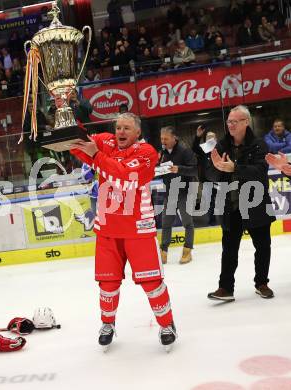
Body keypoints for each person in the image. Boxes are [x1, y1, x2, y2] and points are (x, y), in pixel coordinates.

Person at [68, 113, 177, 350]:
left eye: (127, 128)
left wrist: (95, 156)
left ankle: (167, 324)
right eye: (118, 127)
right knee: (107, 284)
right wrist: (65, 114)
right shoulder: (105, 142)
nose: (121, 132)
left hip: (138, 228)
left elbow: (123, 173)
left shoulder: (146, 153)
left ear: (137, 132)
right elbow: (77, 144)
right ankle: (107, 324)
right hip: (107, 228)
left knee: (152, 283)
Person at [207, 105, 275, 302]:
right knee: (229, 249)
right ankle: (225, 288)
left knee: (263, 246)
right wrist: (218, 168)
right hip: (231, 206)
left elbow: (260, 171)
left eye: (235, 121)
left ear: (246, 122)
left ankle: (262, 283)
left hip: (256, 204)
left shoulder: (259, 145)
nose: (231, 125)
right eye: (229, 121)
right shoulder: (221, 145)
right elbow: (209, 172)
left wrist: (234, 168)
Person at [159, 126, 197, 264]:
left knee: (187, 222)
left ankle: (187, 251)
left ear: (174, 138)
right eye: (161, 138)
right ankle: (163, 252)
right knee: (166, 223)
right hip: (170, 192)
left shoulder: (185, 151)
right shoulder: (162, 152)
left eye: (166, 138)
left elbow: (194, 170)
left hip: (185, 191)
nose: (163, 141)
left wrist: (179, 169)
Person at [192, 125, 218, 225]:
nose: (210, 139)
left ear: (216, 139)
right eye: (208, 137)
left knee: (224, 200)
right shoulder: (203, 150)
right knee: (210, 202)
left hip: (220, 179)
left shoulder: (220, 148)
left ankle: (226, 219)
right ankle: (212, 220)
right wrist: (198, 136)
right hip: (206, 180)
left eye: (212, 137)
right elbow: (194, 147)